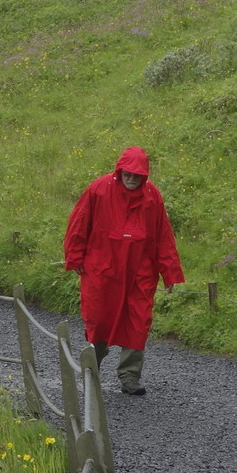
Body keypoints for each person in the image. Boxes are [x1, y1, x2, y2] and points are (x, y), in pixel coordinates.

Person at [63, 147, 185, 396]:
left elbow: (163, 236)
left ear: (145, 176)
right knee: (98, 318)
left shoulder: (153, 197)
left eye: (137, 175)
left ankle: (130, 376)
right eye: (127, 173)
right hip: (103, 269)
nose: (131, 178)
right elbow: (79, 223)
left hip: (140, 272)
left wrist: (169, 272)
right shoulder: (98, 189)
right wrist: (75, 256)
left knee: (138, 321)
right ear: (120, 171)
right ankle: (91, 369)